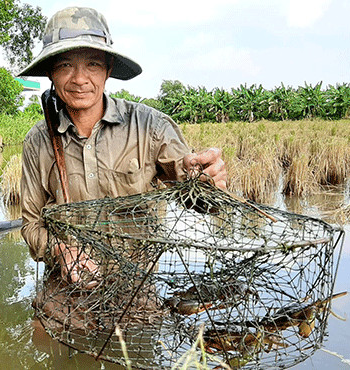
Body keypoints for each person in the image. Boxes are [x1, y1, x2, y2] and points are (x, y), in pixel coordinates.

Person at [18, 6, 227, 288]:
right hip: (65, 285)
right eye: (65, 65)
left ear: (108, 70)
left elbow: (200, 197)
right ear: (51, 74)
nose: (80, 79)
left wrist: (205, 179)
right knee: (40, 331)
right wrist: (60, 250)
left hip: (135, 287)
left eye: (92, 64)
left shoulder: (150, 126)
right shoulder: (37, 141)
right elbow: (31, 225)